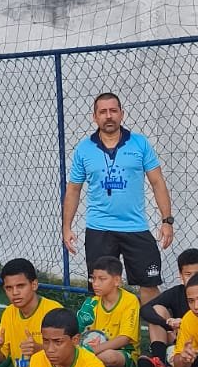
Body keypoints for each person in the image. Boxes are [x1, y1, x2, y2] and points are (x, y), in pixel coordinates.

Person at [61, 91, 174, 304]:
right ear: (94, 117)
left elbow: (158, 182)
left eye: (113, 110)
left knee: (149, 284)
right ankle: (99, 337)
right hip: (99, 228)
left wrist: (167, 221)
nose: (108, 116)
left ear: (122, 114)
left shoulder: (140, 144)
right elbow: (74, 189)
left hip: (135, 226)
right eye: (102, 112)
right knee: (100, 286)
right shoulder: (84, 149)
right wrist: (66, 227)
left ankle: (156, 337)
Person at [138, 248, 198, 367]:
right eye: (188, 274)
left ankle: (170, 366)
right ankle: (159, 361)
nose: (193, 279)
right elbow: (145, 309)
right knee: (157, 309)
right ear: (180, 275)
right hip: (178, 337)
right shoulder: (177, 292)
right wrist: (167, 323)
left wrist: (185, 324)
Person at [76, 256, 140, 367]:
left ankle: (83, 366)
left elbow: (124, 339)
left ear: (117, 281)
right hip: (91, 350)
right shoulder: (91, 302)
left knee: (110, 357)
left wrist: (92, 350)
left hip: (124, 352)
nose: (95, 284)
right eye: (93, 278)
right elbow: (75, 332)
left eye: (102, 279)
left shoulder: (130, 301)